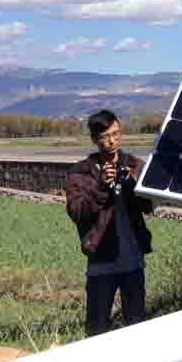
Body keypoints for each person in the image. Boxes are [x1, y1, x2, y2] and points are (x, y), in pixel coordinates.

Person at [66, 109, 153, 336]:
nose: (112, 141)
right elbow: (77, 212)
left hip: (133, 261)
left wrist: (137, 186)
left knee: (136, 327)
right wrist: (102, 187)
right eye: (105, 136)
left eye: (115, 134)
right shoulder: (81, 173)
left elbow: (149, 206)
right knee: (97, 329)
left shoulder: (135, 165)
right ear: (95, 139)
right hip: (101, 262)